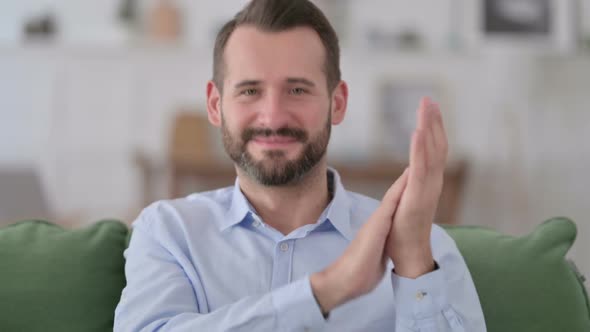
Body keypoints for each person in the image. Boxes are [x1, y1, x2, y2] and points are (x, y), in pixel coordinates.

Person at [114, 0, 487, 331]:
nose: (273, 116)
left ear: (337, 103)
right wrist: (328, 289)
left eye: (297, 90)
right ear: (215, 105)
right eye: (249, 91)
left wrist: (413, 266)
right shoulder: (168, 233)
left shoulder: (427, 247)